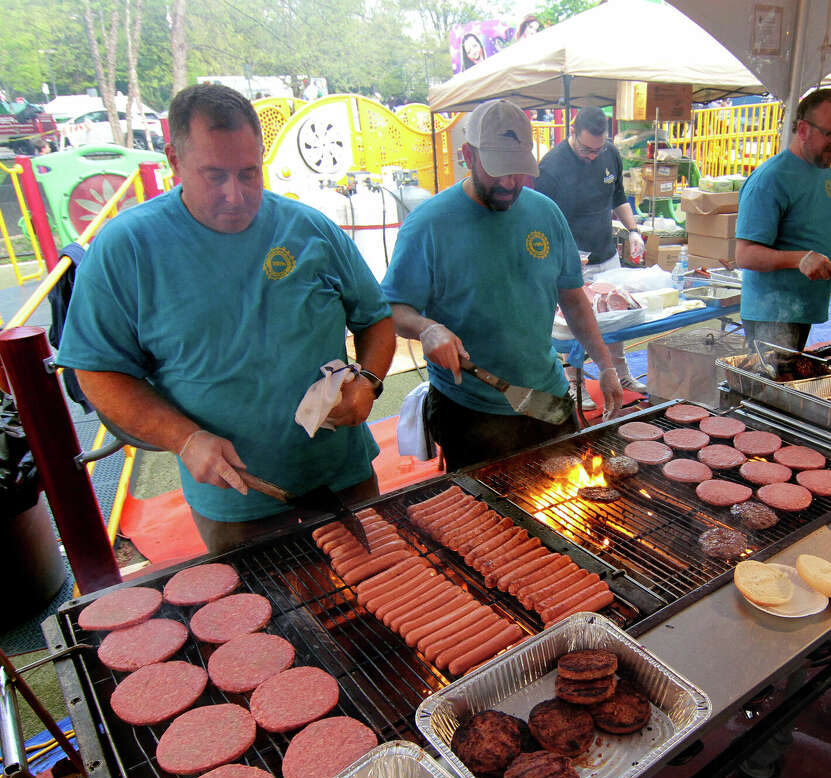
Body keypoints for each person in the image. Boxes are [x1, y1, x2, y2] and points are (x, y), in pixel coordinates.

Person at [56, 83, 395, 553]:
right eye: (214, 176)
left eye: (249, 174)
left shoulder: (310, 228)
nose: (235, 196)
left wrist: (370, 380)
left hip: (343, 476)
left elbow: (375, 318)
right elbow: (97, 370)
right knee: (272, 619)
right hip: (235, 500)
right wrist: (184, 438)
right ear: (174, 160)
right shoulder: (126, 249)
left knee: (380, 599)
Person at [383, 99, 621, 471]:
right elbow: (394, 308)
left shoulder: (546, 212)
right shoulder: (429, 225)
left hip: (546, 394)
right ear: (468, 155)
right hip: (470, 408)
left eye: (519, 171)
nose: (511, 184)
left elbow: (573, 300)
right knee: (484, 520)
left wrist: (605, 365)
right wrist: (426, 328)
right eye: (499, 171)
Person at [734, 88, 831, 352]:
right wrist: (801, 259)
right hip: (772, 313)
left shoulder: (825, 173)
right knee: (768, 390)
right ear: (803, 129)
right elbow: (745, 255)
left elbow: (809, 232)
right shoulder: (770, 180)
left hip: (804, 307)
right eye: (830, 134)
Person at [535, 106, 647, 408]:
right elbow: (540, 218)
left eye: (598, 149)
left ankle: (621, 372)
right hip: (570, 261)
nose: (592, 155)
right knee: (572, 324)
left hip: (606, 253)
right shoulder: (552, 167)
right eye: (586, 149)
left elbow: (618, 196)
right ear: (573, 133)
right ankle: (574, 380)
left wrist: (633, 230)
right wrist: (561, 259)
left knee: (616, 317)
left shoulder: (609, 154)